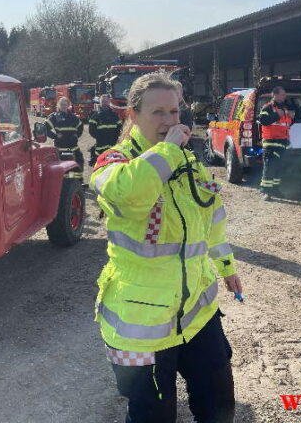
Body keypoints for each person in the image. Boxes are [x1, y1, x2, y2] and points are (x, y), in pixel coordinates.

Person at [89, 73, 242, 423]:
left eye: (174, 112)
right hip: (142, 326)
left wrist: (227, 266)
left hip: (197, 312)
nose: (170, 121)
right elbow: (130, 194)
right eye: (158, 112)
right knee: (152, 415)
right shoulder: (114, 161)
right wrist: (169, 149)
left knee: (219, 405)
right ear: (132, 115)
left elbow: (212, 216)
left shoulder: (189, 162)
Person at [258, 86, 295, 200]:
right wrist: (276, 115)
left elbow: (286, 125)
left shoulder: (284, 109)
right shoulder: (267, 107)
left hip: (283, 143)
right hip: (271, 144)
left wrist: (291, 117)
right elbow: (263, 120)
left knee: (279, 168)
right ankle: (266, 192)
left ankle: (275, 189)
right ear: (275, 95)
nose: (285, 96)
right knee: (269, 168)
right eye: (283, 94)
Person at [46, 97, 84, 179]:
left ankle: (77, 182)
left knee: (78, 165)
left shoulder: (73, 117)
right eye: (62, 104)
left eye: (65, 104)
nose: (63, 106)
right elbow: (45, 129)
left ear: (68, 105)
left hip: (74, 148)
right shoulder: (54, 117)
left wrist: (76, 135)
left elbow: (80, 126)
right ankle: (66, 183)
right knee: (65, 168)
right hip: (61, 149)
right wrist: (55, 136)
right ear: (58, 105)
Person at [88, 96, 122, 166]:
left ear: (109, 102)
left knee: (112, 166)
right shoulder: (95, 115)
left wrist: (115, 137)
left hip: (113, 144)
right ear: (100, 102)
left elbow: (119, 128)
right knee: (100, 166)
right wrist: (100, 137)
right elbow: (91, 130)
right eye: (103, 101)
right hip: (100, 145)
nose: (104, 103)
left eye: (106, 101)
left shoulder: (114, 115)